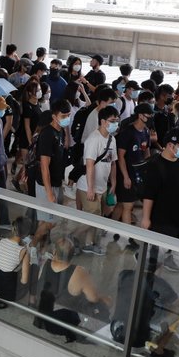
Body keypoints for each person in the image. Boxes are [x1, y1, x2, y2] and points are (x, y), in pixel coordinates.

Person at [141, 128, 179, 273]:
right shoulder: (156, 165)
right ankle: (148, 278)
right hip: (162, 220)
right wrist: (145, 218)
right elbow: (148, 195)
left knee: (171, 245)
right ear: (170, 145)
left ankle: (165, 259)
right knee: (155, 257)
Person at [75, 105, 119, 255]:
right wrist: (90, 188)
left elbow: (113, 163)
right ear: (102, 121)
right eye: (112, 120)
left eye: (117, 120)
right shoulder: (94, 139)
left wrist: (113, 182)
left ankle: (89, 243)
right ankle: (72, 237)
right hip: (88, 186)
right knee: (92, 216)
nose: (115, 123)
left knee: (96, 216)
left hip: (102, 186)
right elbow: (89, 166)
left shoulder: (112, 139)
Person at [32, 100, 72, 245]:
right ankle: (32, 245)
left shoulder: (60, 131)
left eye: (68, 115)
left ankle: (39, 249)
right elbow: (44, 166)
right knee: (51, 221)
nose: (67, 118)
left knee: (46, 220)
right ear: (54, 116)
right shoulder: (47, 134)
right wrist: (49, 192)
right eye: (64, 116)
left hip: (56, 182)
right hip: (45, 185)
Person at [114, 103, 153, 234]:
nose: (150, 118)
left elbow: (146, 151)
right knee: (128, 206)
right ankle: (127, 237)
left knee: (121, 204)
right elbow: (121, 156)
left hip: (138, 173)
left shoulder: (146, 131)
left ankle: (109, 227)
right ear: (140, 115)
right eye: (148, 116)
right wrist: (125, 176)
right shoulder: (127, 133)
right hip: (127, 173)